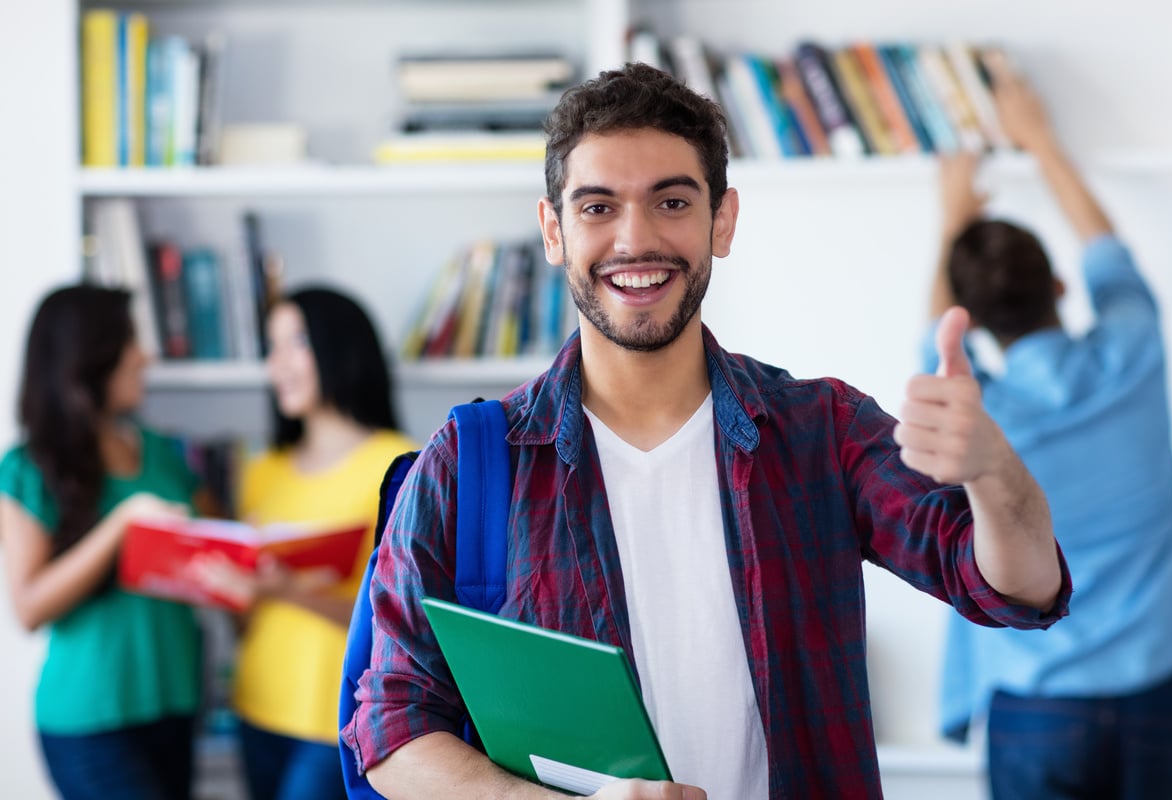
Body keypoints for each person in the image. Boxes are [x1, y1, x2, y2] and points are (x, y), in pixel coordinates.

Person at [344, 63, 1070, 800]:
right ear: (553, 230)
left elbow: (1016, 589)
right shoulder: (469, 465)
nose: (636, 239)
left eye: (671, 201)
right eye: (598, 207)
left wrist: (994, 472)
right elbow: (390, 728)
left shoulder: (824, 431)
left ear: (721, 221)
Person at [926, 57, 1172, 800]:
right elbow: (1110, 254)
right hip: (1153, 702)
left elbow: (935, 339)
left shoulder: (976, 412)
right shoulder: (1135, 351)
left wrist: (953, 213)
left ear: (973, 318)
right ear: (1059, 285)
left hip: (1037, 707)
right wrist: (1040, 142)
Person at [190, 286, 419, 800]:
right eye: (271, 348)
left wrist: (288, 590)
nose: (279, 365)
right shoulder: (262, 471)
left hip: (336, 718)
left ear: (338, 347)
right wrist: (230, 587)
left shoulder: (399, 464)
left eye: (296, 343)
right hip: (255, 705)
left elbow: (399, 619)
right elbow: (246, 619)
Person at [0, 285, 206, 800]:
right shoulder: (27, 468)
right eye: (130, 341)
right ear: (86, 358)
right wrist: (121, 525)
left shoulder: (161, 451)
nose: (145, 356)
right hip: (90, 718)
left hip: (175, 701)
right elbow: (28, 606)